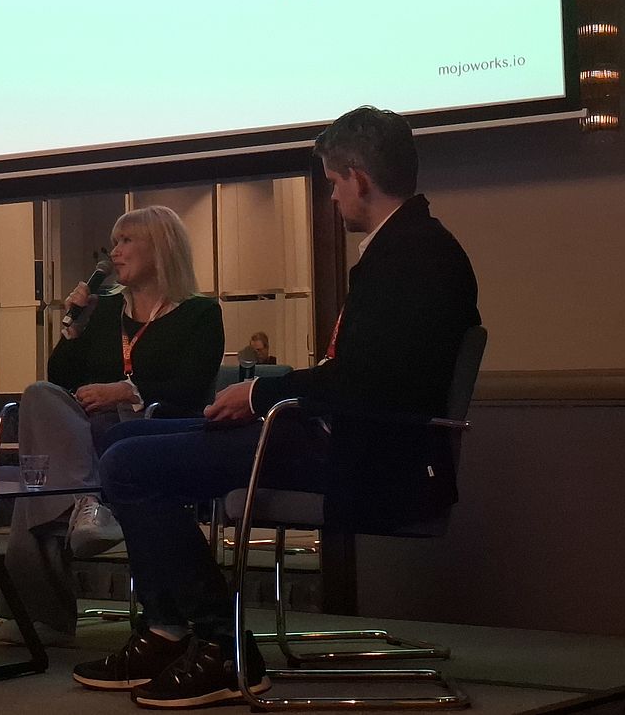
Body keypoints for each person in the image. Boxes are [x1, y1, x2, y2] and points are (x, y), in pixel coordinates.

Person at [72, 106, 480, 708]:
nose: (333, 196)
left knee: (130, 466)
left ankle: (222, 644)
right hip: (345, 434)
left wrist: (260, 394)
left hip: (370, 453)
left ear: (359, 178)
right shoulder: (406, 246)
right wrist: (263, 396)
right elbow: (367, 376)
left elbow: (369, 386)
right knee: (118, 441)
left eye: (334, 182)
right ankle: (165, 630)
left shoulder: (414, 257)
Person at [0, 205, 224, 646]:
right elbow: (62, 378)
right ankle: (86, 503)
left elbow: (191, 387)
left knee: (41, 488)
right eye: (114, 243)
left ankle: (43, 614)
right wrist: (73, 328)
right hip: (90, 430)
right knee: (39, 394)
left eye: (125, 242)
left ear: (160, 248)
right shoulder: (104, 312)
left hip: (152, 429)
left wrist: (124, 391)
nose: (114, 253)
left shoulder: (199, 313)